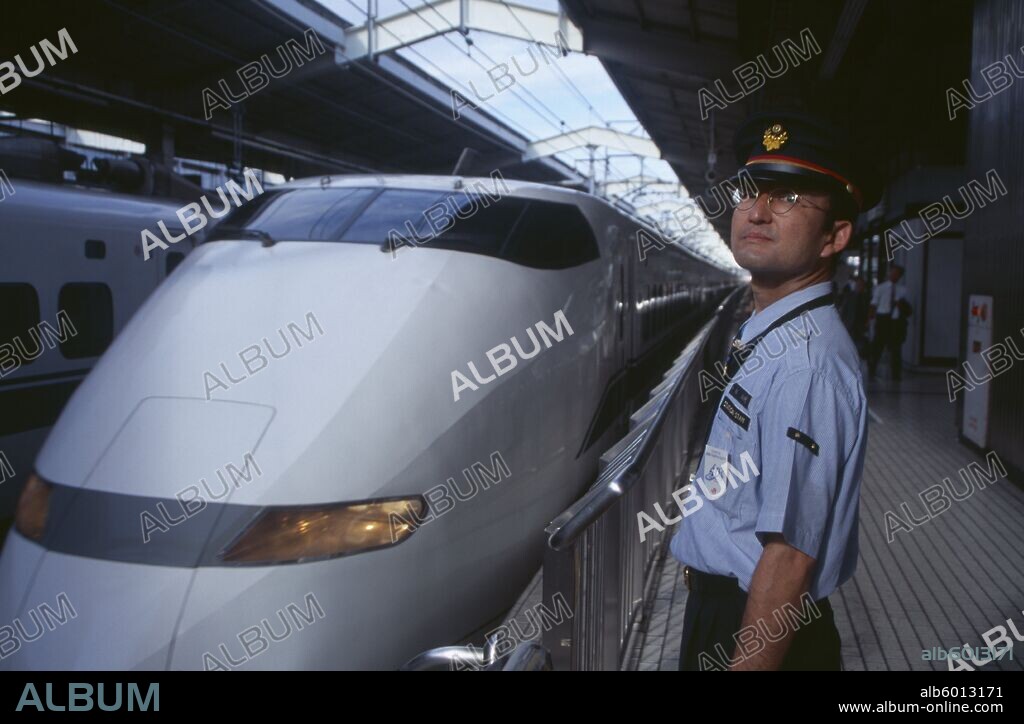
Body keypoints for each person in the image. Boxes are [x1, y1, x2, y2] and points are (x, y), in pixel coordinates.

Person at [670, 110, 878, 671]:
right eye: (751, 191)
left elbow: (789, 557)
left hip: (754, 625)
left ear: (834, 237)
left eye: (788, 198)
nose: (757, 211)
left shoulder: (804, 365)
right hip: (735, 611)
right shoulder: (776, 335)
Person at [868, 265, 909, 381]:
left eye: (897, 274)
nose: (894, 276)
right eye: (893, 273)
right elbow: (874, 304)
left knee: (896, 348)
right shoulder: (881, 288)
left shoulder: (902, 290)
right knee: (878, 346)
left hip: (895, 320)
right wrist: (870, 320)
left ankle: (896, 374)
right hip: (883, 318)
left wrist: (900, 305)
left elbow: (905, 307)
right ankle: (872, 369)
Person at [838, 277, 869, 358]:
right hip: (849, 324)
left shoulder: (866, 297)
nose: (860, 287)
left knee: (858, 346)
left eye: (862, 285)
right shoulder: (849, 296)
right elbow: (844, 310)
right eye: (858, 285)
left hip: (860, 326)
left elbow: (867, 311)